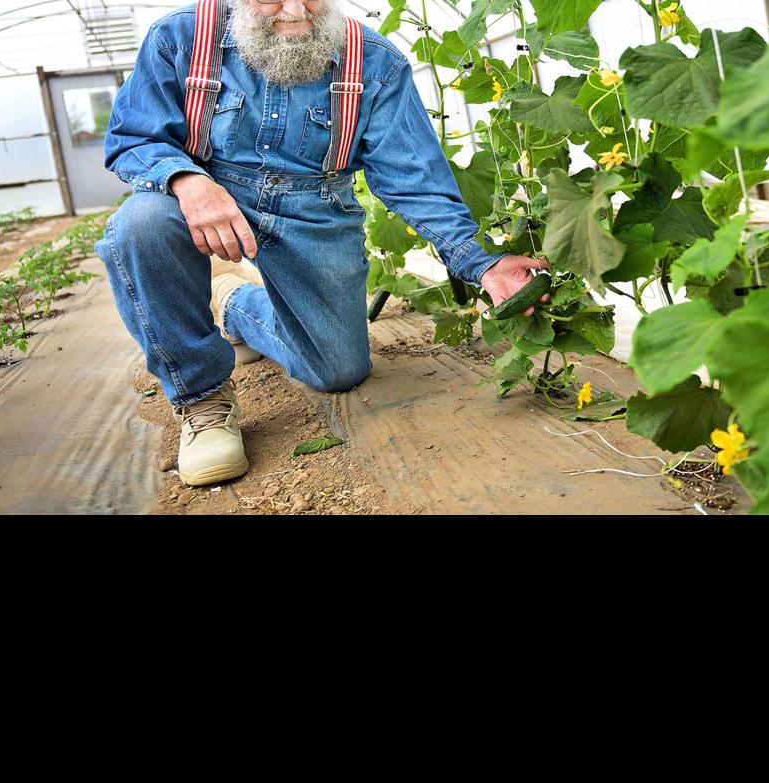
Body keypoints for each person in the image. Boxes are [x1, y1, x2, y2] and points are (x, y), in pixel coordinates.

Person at [95, 0, 549, 488]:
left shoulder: (372, 61)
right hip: (210, 197)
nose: (294, 9)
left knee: (337, 371)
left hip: (315, 211)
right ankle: (201, 398)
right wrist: (187, 179)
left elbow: (414, 180)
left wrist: (481, 265)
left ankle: (233, 304)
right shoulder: (181, 38)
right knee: (141, 223)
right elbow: (133, 137)